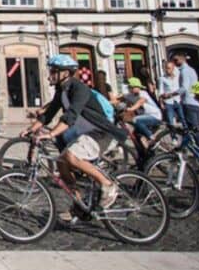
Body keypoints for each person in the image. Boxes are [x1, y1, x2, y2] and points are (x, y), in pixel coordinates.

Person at [21, 55, 127, 218]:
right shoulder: (62, 91)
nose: (51, 74)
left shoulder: (79, 89)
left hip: (103, 133)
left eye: (54, 71)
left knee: (71, 156)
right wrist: (31, 129)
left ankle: (108, 185)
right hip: (86, 133)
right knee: (62, 163)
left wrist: (51, 134)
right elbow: (48, 114)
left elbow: (70, 116)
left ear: (66, 73)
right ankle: (79, 205)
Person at [123, 77, 163, 168]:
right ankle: (145, 156)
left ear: (137, 87)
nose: (130, 89)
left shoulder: (143, 93)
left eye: (131, 87)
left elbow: (140, 102)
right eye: (129, 87)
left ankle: (152, 138)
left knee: (136, 120)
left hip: (154, 116)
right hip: (146, 118)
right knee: (136, 135)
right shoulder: (131, 95)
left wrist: (131, 109)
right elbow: (119, 98)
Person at [173, 53, 199, 143]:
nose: (174, 62)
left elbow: (184, 87)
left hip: (189, 102)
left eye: (176, 60)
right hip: (195, 102)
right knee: (196, 128)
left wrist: (171, 94)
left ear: (182, 59)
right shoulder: (191, 70)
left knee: (194, 129)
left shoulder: (184, 71)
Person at [159, 61, 186, 128]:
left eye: (169, 68)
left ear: (173, 68)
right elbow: (160, 91)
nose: (168, 70)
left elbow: (182, 87)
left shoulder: (178, 77)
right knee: (170, 121)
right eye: (166, 68)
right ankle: (173, 137)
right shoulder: (162, 79)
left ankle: (188, 134)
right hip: (169, 102)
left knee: (183, 119)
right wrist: (161, 102)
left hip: (178, 100)